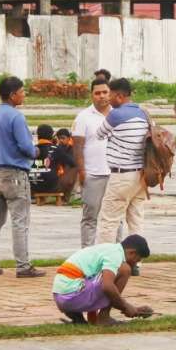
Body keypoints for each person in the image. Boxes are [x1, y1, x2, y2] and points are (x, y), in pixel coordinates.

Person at [0, 76, 43, 278]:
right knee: (20, 220)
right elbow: (26, 146)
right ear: (12, 95)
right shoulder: (16, 117)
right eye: (22, 92)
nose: (24, 95)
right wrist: (35, 151)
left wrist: (2, 150)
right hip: (15, 173)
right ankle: (23, 265)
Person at [94, 77, 151, 251]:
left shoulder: (116, 115)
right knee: (136, 219)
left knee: (109, 221)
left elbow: (99, 134)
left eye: (110, 95)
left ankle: (104, 259)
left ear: (119, 96)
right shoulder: (144, 113)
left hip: (122, 175)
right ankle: (136, 260)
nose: (108, 99)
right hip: (141, 175)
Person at [52, 234, 154, 325]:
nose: (135, 264)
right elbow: (107, 286)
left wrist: (134, 309)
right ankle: (104, 317)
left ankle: (78, 319)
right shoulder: (115, 254)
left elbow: (91, 276)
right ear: (132, 253)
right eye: (137, 260)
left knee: (102, 275)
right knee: (124, 269)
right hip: (72, 294)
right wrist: (126, 306)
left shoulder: (107, 248)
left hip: (61, 297)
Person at [72, 79, 116, 248]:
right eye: (97, 93)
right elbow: (77, 147)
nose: (102, 96)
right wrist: (81, 171)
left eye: (105, 92)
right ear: (91, 95)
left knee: (114, 217)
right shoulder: (83, 117)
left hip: (115, 174)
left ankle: (114, 254)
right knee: (90, 217)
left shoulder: (117, 115)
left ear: (110, 93)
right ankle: (87, 254)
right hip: (92, 174)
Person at [29, 124, 63, 196]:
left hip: (33, 185)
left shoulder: (32, 149)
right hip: (52, 186)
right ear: (51, 136)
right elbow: (71, 163)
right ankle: (66, 197)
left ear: (38, 135)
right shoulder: (57, 149)